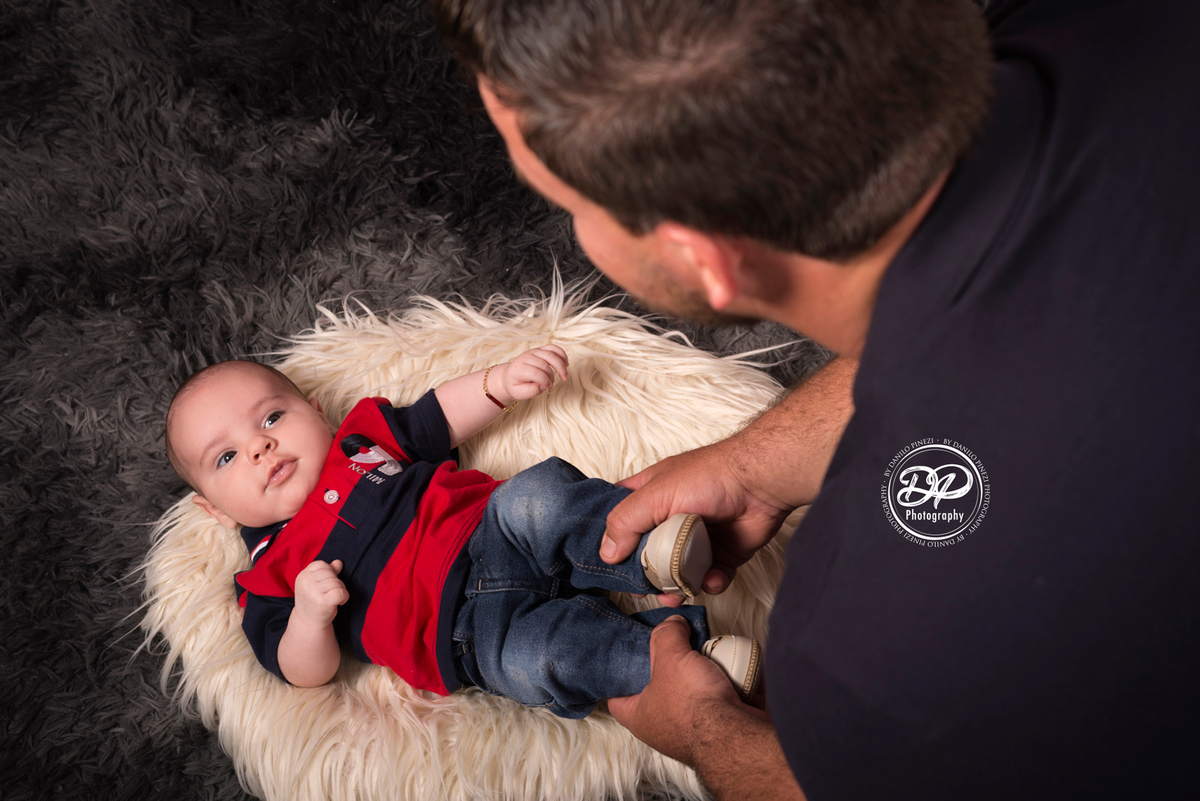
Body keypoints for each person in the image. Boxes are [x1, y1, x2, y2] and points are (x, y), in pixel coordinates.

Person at [433, 0, 1200, 798]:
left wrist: (702, 727)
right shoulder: (1116, 26)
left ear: (704, 259)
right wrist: (759, 463)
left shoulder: (867, 665)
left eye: (573, 208)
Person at [163, 352, 761, 718]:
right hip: (467, 639)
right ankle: (682, 660)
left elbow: (436, 415)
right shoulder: (266, 577)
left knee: (537, 496)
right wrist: (309, 619)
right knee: (544, 660)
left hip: (490, 531)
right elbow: (300, 671)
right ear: (213, 509)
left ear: (317, 412)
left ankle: (648, 550)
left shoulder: (360, 441)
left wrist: (497, 384)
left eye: (271, 418)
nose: (261, 446)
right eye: (226, 458)